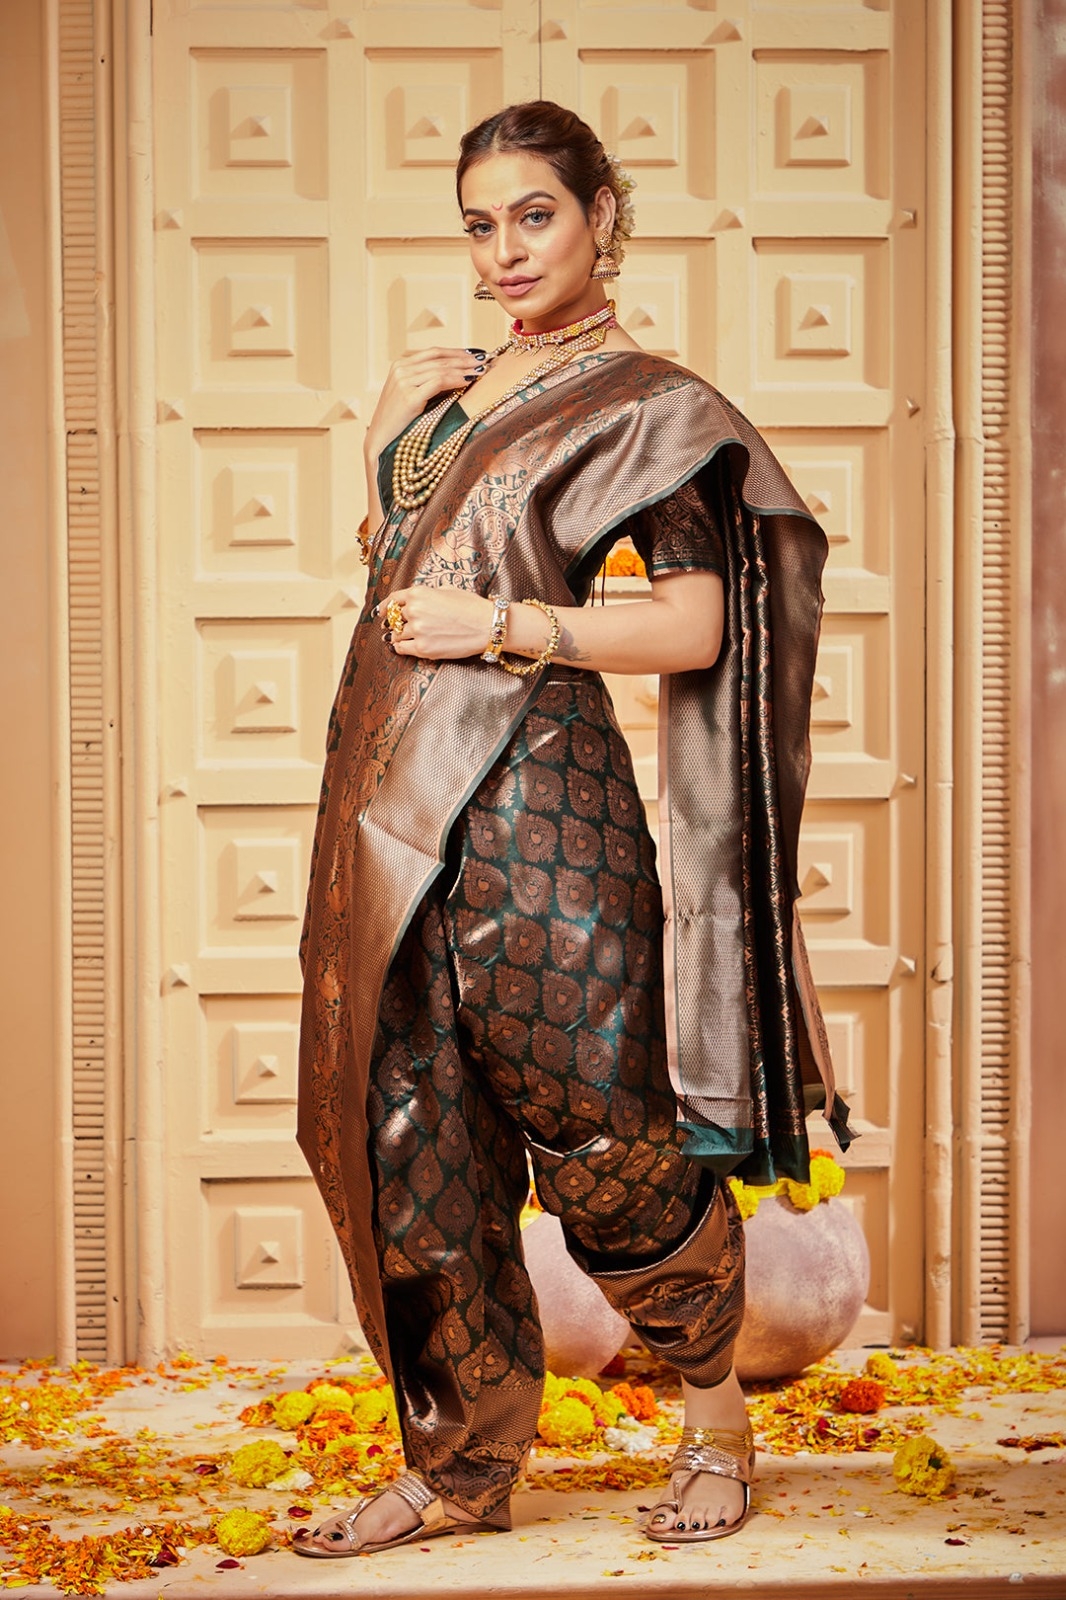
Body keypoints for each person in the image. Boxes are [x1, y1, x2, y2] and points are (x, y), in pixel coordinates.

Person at [294, 100, 850, 1560]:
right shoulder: (444, 398)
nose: (504, 251)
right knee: (413, 1125)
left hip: (544, 796)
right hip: (390, 802)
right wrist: (382, 448)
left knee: (606, 1125)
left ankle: (715, 1424)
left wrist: (507, 627)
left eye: (533, 215)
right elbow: (402, 584)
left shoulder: (651, 406)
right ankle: (460, 1465)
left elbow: (694, 622)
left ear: (602, 215)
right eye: (479, 225)